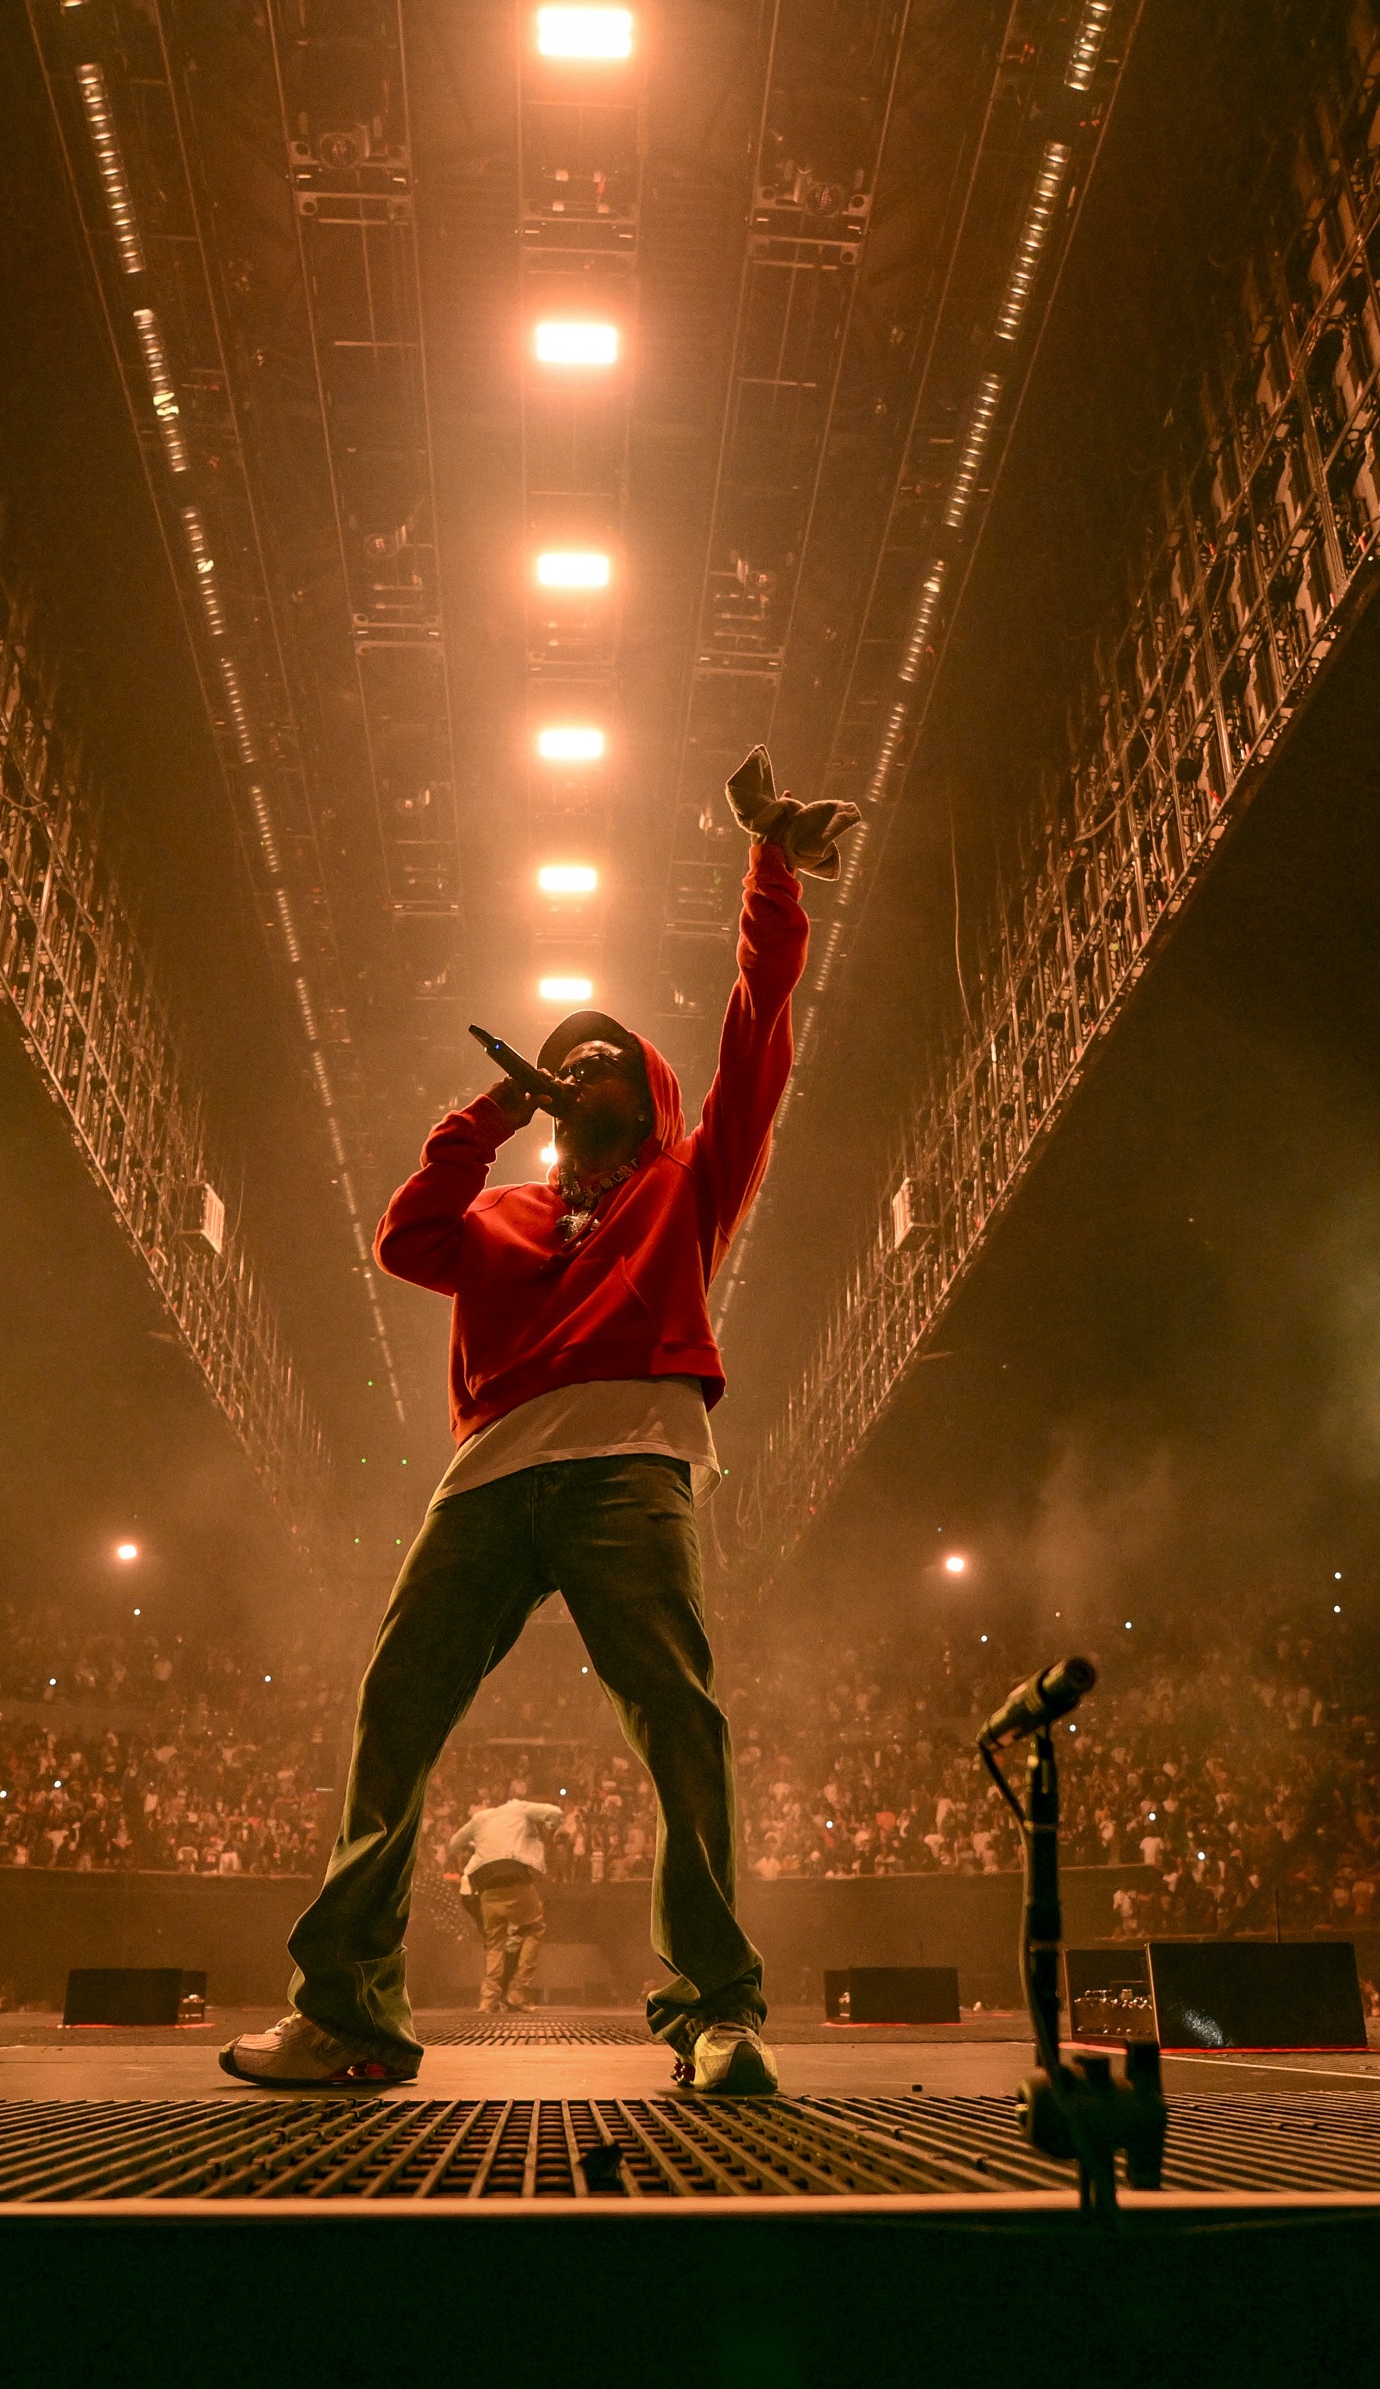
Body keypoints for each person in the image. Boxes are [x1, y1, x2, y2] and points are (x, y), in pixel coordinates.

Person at [223, 748, 859, 2095]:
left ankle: (717, 2010)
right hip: (487, 1475)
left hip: (631, 1461)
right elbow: (405, 1240)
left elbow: (757, 1027)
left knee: (677, 1720)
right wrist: (486, 1114)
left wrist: (770, 870)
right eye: (563, 1058)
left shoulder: (689, 1183)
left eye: (605, 1054)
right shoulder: (501, 1212)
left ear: (649, 1093)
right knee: (394, 1716)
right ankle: (348, 2014)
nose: (582, 1062)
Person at [450, 1775, 566, 2014]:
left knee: (495, 1942)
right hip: (513, 1875)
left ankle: (488, 1999)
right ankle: (518, 1991)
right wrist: (550, 1829)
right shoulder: (518, 1808)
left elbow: (453, 1844)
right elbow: (555, 1812)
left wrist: (474, 1848)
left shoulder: (480, 1817)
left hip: (486, 1884)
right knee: (534, 1927)